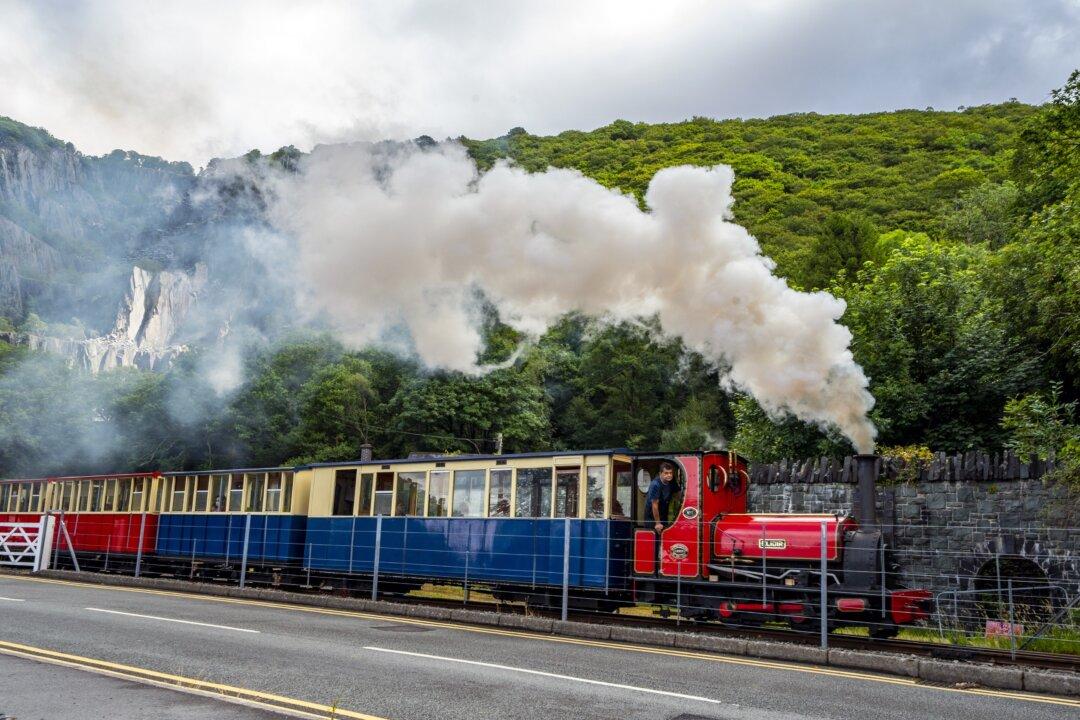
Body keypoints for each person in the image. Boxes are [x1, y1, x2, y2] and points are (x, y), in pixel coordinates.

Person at [646, 462, 677, 533]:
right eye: (666, 473)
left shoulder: (672, 481)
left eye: (670, 473)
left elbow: (677, 494)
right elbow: (654, 505)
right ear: (660, 473)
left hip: (663, 515)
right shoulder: (655, 485)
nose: (669, 475)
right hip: (652, 518)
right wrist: (657, 523)